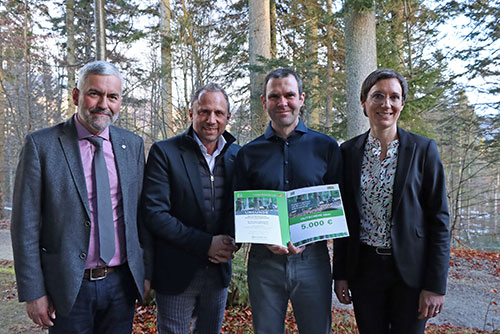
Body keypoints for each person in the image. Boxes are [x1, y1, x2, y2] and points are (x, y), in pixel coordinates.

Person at [10, 60, 150, 333]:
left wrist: (146, 272)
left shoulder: (131, 145)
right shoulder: (42, 146)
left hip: (121, 284)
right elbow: (24, 225)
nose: (103, 104)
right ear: (76, 96)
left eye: (112, 97)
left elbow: (141, 216)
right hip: (68, 287)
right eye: (94, 93)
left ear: (120, 100)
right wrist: (33, 291)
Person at [333, 68, 450, 333]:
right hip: (365, 271)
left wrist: (435, 285)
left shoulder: (423, 150)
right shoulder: (348, 152)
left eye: (394, 97)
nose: (386, 104)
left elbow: (439, 222)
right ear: (364, 102)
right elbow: (344, 216)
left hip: (411, 272)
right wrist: (340, 273)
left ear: (401, 104)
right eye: (378, 96)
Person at [233, 68, 342, 334]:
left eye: (289, 95)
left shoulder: (326, 147)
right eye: (275, 96)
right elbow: (237, 213)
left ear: (301, 99)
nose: (283, 102)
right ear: (264, 102)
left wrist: (342, 269)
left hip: (313, 260)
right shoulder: (248, 154)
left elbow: (341, 209)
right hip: (263, 262)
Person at [142, 83, 239, 334]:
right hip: (176, 271)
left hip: (218, 271)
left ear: (228, 117)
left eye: (219, 113)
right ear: (191, 113)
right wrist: (206, 244)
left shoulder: (238, 156)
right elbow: (155, 214)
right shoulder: (165, 152)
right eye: (204, 112)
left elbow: (242, 210)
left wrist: (232, 243)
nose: (211, 119)